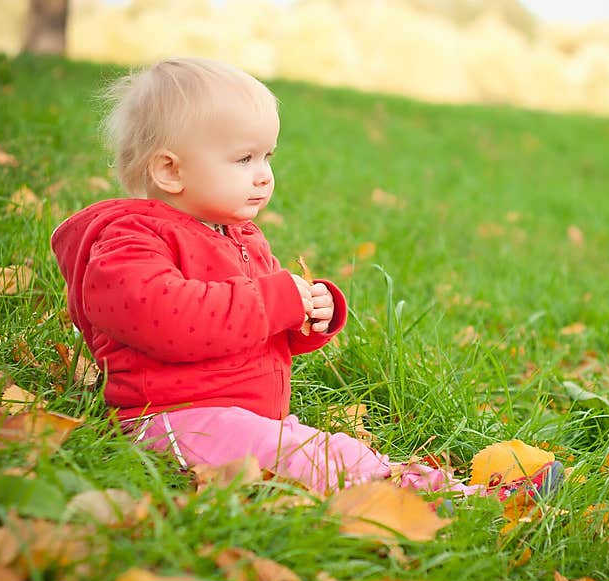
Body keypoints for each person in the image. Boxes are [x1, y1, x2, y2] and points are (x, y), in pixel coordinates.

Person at [50, 56, 562, 500]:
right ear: (170, 171)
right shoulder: (132, 239)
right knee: (313, 459)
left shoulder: (239, 236)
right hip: (173, 420)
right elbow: (164, 317)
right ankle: (452, 501)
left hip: (240, 416)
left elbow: (253, 326)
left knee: (334, 452)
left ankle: (439, 490)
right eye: (243, 158)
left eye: (267, 157)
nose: (264, 174)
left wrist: (309, 315)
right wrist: (275, 302)